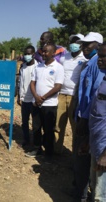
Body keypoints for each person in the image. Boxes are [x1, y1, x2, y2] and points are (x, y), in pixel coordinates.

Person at [73, 32, 104, 201]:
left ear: (97, 46)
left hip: (90, 122)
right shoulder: (89, 63)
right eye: (83, 45)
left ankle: (81, 196)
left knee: (84, 162)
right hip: (85, 117)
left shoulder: (97, 65)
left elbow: (94, 96)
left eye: (88, 44)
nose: (84, 47)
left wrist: (84, 119)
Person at [25, 43, 64, 163]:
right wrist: (36, 97)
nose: (44, 53)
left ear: (53, 53)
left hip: (49, 104)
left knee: (48, 130)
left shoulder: (58, 67)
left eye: (47, 51)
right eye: (43, 51)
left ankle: (48, 153)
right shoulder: (38, 67)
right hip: (36, 103)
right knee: (36, 127)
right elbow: (32, 83)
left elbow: (57, 86)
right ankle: (37, 149)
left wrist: (43, 98)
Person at [54, 34, 88, 154]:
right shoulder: (64, 57)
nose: (74, 44)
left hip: (76, 96)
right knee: (58, 126)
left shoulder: (85, 58)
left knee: (75, 127)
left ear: (81, 44)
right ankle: (56, 151)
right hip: (62, 95)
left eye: (77, 42)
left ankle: (75, 156)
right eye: (72, 42)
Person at [89, 43, 106, 201]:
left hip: (104, 150)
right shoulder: (103, 79)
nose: (99, 60)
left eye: (103, 57)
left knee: (101, 196)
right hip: (96, 144)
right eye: (99, 56)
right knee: (94, 188)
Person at [17, 45, 37, 147]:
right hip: (24, 99)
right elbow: (20, 82)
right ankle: (26, 140)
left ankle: (35, 142)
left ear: (33, 54)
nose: (26, 56)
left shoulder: (38, 67)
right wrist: (19, 96)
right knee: (24, 122)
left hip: (33, 100)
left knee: (35, 123)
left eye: (29, 54)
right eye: (25, 54)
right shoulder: (23, 67)